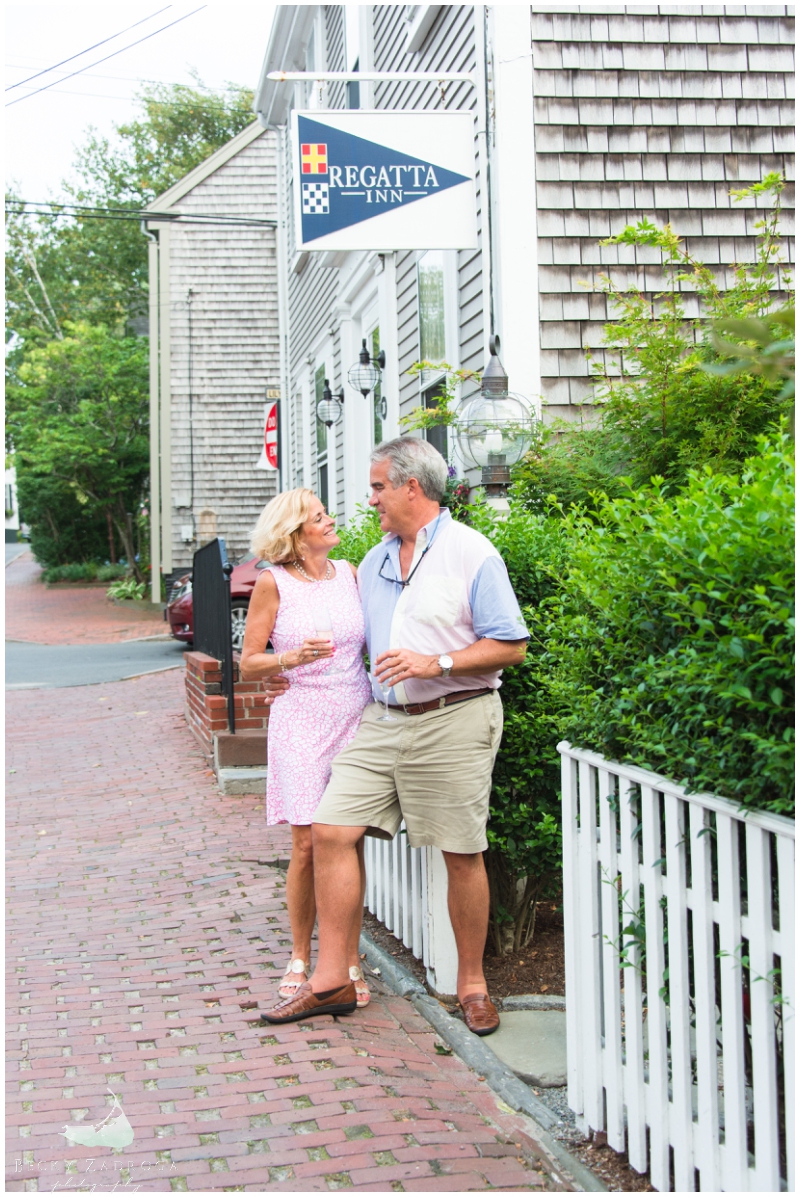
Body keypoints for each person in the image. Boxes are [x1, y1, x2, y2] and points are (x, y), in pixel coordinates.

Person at [261, 438, 529, 1034]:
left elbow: (511, 644)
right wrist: (293, 670)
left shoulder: (471, 553)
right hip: (381, 722)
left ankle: (473, 986)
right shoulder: (375, 562)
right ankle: (330, 979)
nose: (371, 498)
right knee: (330, 829)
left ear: (413, 487)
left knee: (462, 851)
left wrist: (436, 663)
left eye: (379, 486)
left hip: (455, 715)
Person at [240, 488, 373, 1014]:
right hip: (300, 719)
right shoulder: (273, 584)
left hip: (354, 715)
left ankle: (346, 961)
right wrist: (288, 660)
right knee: (306, 843)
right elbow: (249, 661)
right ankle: (300, 956)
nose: (331, 521)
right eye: (320, 517)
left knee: (348, 839)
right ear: (296, 534)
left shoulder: (353, 573)